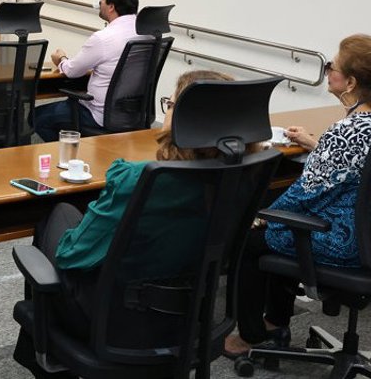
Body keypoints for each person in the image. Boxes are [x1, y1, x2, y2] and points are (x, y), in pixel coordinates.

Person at [15, 70, 240, 378]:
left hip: (115, 321)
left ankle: (44, 359)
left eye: (170, 104)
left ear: (185, 117)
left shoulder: (141, 180)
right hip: (189, 317)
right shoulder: (240, 178)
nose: (167, 111)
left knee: (56, 218)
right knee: (69, 215)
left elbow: (70, 256)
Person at [224, 34, 371, 357]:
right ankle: (275, 321)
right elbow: (357, 169)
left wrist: (259, 217)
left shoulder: (346, 131)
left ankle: (251, 335)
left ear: (350, 83)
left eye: (333, 65)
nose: (328, 69)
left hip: (347, 242)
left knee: (254, 237)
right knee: (283, 224)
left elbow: (304, 193)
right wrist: (317, 146)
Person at [32, 0, 138, 140]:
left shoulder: (103, 38)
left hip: (98, 115)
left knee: (37, 117)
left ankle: (71, 153)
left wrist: (61, 58)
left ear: (111, 7)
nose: (99, 3)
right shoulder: (146, 35)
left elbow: (72, 71)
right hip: (132, 114)